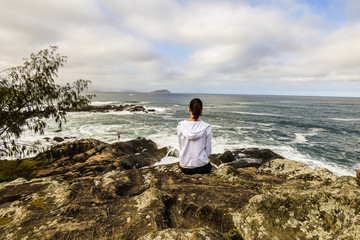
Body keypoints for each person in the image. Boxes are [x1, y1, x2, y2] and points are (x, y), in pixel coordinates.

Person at [177, 98, 212, 175]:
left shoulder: (181, 126)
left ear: (189, 109)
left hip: (185, 167)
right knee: (210, 167)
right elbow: (208, 152)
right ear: (201, 110)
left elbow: (181, 146)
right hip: (201, 167)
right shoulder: (206, 127)